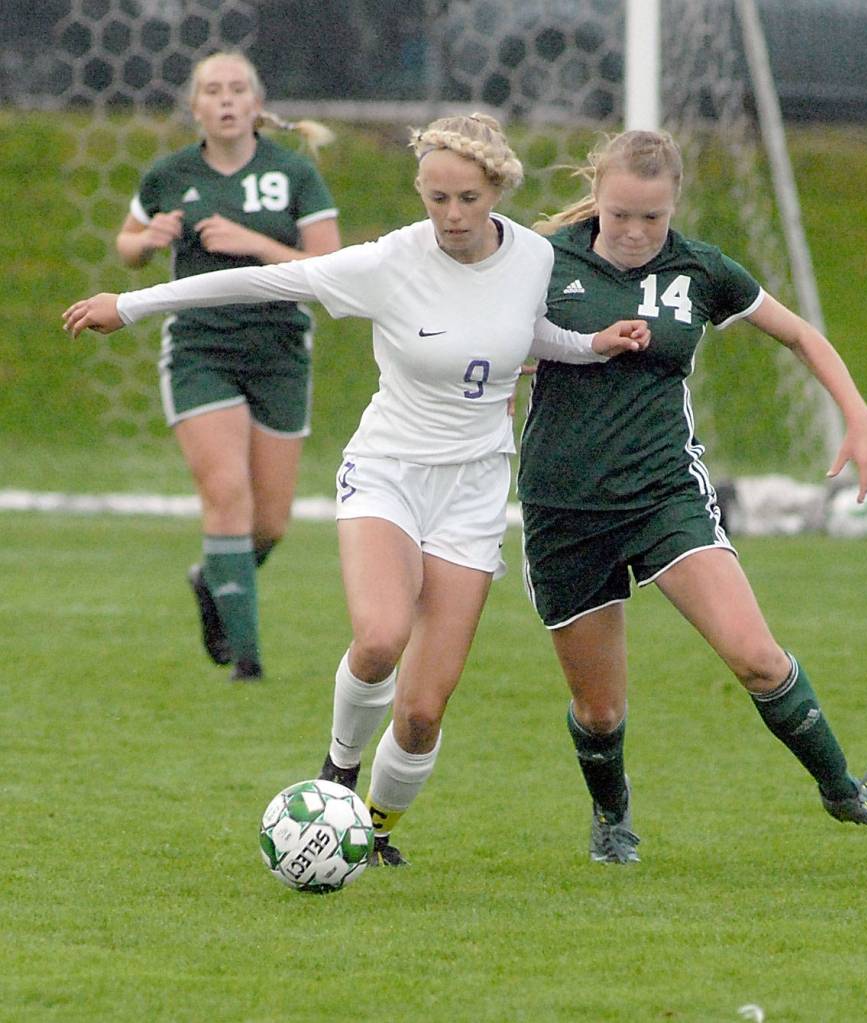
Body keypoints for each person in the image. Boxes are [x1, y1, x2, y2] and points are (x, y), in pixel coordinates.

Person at [63, 113, 651, 866]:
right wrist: (133, 304)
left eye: (467, 198)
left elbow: (517, 334)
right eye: (435, 198)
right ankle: (336, 770)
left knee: (423, 709)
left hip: (473, 492)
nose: (450, 216)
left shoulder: (534, 259)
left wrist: (589, 345)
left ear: (496, 190)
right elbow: (264, 278)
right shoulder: (390, 262)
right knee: (379, 638)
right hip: (388, 470)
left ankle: (369, 831)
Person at [519, 129, 867, 864]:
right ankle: (611, 813)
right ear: (598, 197)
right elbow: (487, 344)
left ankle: (844, 790)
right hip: (565, 505)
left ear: (676, 202)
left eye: (653, 216)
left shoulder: (699, 269)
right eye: (621, 215)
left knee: (758, 658)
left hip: (664, 494)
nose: (637, 231)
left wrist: (859, 416)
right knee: (600, 708)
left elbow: (800, 335)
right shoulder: (540, 262)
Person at [115, 51, 341, 682]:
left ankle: (213, 577)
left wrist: (256, 246)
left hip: (278, 353)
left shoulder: (292, 173)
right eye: (212, 90)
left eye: (237, 88)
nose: (224, 99)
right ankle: (248, 663)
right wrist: (147, 241)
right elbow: (127, 246)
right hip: (199, 349)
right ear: (196, 106)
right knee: (227, 496)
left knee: (270, 522)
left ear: (255, 104)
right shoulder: (170, 174)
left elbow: (329, 269)